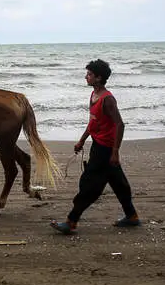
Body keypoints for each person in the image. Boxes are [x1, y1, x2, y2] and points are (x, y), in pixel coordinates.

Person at [50, 59, 140, 234]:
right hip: (98, 145)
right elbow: (93, 122)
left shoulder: (107, 99)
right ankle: (132, 216)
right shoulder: (94, 96)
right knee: (119, 184)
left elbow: (120, 125)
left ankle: (71, 221)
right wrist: (82, 140)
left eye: (89, 74)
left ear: (98, 78)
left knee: (89, 185)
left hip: (106, 150)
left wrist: (115, 152)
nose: (86, 77)